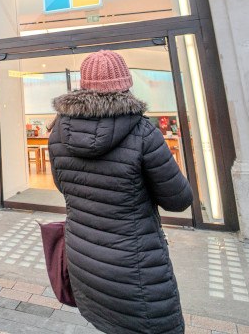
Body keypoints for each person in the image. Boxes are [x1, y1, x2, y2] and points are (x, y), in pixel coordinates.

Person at [48, 50, 192, 334]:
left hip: (84, 256)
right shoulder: (142, 131)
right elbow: (179, 199)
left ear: (83, 85)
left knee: (106, 321)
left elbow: (63, 185)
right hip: (135, 263)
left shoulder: (58, 132)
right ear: (125, 84)